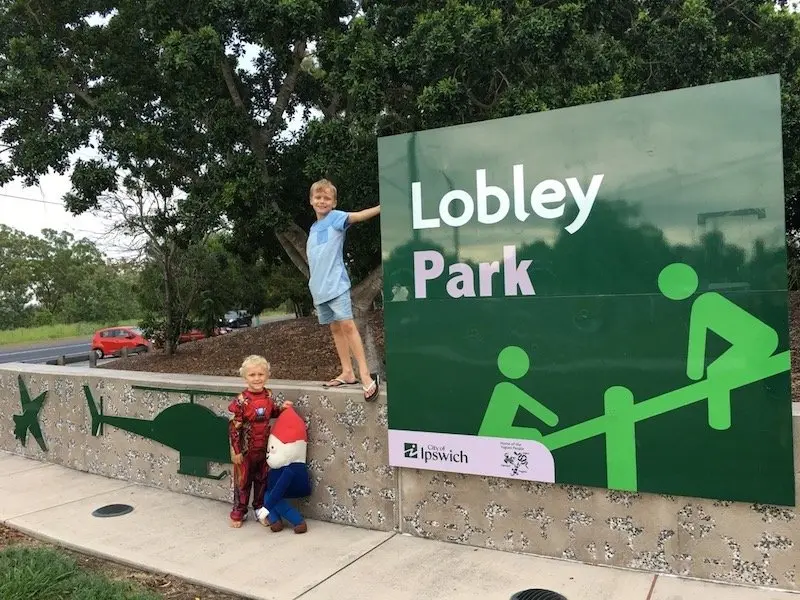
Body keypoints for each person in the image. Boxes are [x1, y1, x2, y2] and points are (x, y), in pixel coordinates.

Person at [306, 178, 381, 401]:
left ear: (334, 202)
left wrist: (381, 207)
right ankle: (347, 372)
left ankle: (366, 376)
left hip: (336, 284)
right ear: (311, 201)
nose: (322, 201)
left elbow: (358, 216)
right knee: (335, 329)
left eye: (326, 198)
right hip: (319, 289)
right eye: (318, 197)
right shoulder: (313, 227)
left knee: (348, 325)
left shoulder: (337, 218)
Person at [228, 354, 292, 527]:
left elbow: (272, 413)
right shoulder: (241, 401)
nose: (257, 378)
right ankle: (238, 511)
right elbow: (234, 427)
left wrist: (282, 409)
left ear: (267, 376)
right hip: (246, 450)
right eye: (252, 375)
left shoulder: (269, 396)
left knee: (262, 481)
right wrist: (236, 450)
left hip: (264, 449)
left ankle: (260, 509)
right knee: (243, 482)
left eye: (260, 374)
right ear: (245, 377)